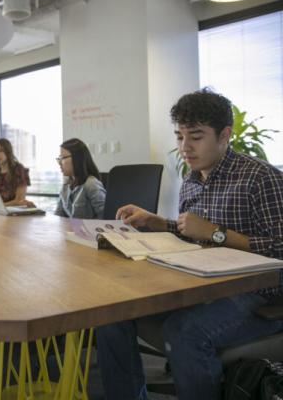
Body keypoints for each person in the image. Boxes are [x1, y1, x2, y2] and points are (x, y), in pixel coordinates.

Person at [95, 89, 283, 400]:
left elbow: (279, 249)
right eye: (179, 136)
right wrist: (161, 223)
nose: (184, 147)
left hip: (258, 295)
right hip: (203, 284)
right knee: (110, 315)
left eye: (195, 137)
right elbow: (194, 235)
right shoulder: (192, 180)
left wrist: (216, 233)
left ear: (224, 135)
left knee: (184, 332)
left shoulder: (260, 178)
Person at [54, 138, 106, 219]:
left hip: (90, 231)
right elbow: (58, 215)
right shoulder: (66, 185)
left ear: (77, 158)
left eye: (62, 158)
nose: (59, 163)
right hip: (71, 230)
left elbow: (106, 216)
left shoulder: (91, 184)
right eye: (59, 159)